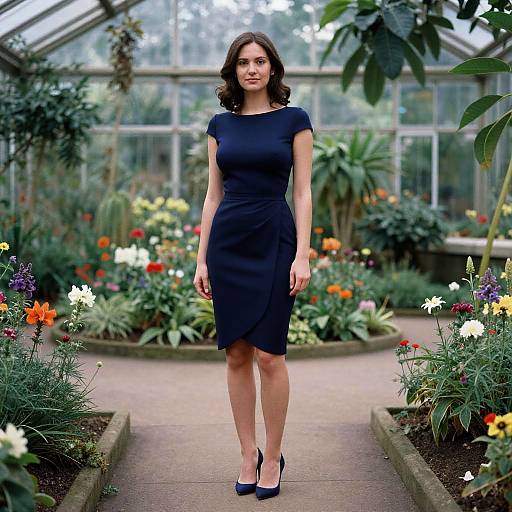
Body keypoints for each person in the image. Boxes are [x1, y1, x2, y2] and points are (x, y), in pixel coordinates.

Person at [193, 31, 313, 500]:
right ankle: (248, 453)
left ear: (272, 68)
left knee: (270, 354)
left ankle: (275, 453)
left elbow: (302, 191)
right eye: (243, 62)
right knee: (237, 352)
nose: (252, 69)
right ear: (234, 70)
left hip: (276, 236)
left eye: (260, 60)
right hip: (228, 243)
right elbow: (212, 195)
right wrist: (201, 257)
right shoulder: (220, 125)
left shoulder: (295, 120)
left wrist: (302, 253)